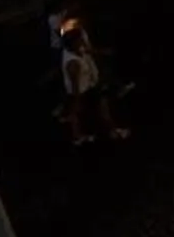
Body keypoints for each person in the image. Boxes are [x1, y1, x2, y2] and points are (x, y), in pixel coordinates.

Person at [54, 12, 127, 145]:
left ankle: (92, 133)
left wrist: (104, 52)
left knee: (97, 109)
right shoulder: (73, 63)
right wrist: (76, 100)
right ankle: (108, 132)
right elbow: (75, 85)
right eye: (80, 40)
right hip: (83, 92)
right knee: (84, 112)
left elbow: (87, 50)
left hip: (89, 87)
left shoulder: (75, 50)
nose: (83, 41)